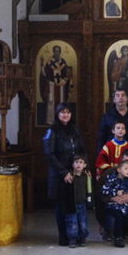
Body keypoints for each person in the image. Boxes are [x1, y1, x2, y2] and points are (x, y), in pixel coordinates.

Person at [43, 103, 86, 246]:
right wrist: (64, 172)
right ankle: (64, 236)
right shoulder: (52, 130)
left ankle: (77, 235)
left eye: (68, 112)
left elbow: (81, 149)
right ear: (57, 114)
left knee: (75, 204)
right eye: (62, 112)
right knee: (62, 206)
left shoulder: (75, 129)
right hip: (59, 173)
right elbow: (49, 154)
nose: (65, 115)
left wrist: (83, 165)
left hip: (75, 171)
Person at [57, 154, 91, 248]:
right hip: (71, 204)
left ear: (85, 165)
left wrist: (90, 201)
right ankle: (72, 239)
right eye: (76, 162)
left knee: (83, 222)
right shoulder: (69, 177)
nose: (78, 164)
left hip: (82, 204)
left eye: (81, 162)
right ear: (72, 164)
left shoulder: (87, 176)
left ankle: (82, 238)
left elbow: (89, 189)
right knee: (72, 222)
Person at [39, 45, 71, 125]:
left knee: (61, 103)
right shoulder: (49, 62)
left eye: (58, 51)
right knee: (51, 103)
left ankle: (62, 120)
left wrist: (64, 80)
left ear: (60, 52)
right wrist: (42, 66)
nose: (57, 53)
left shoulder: (63, 62)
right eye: (55, 51)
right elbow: (45, 74)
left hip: (61, 87)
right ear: (53, 52)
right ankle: (51, 121)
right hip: (52, 86)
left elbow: (66, 74)